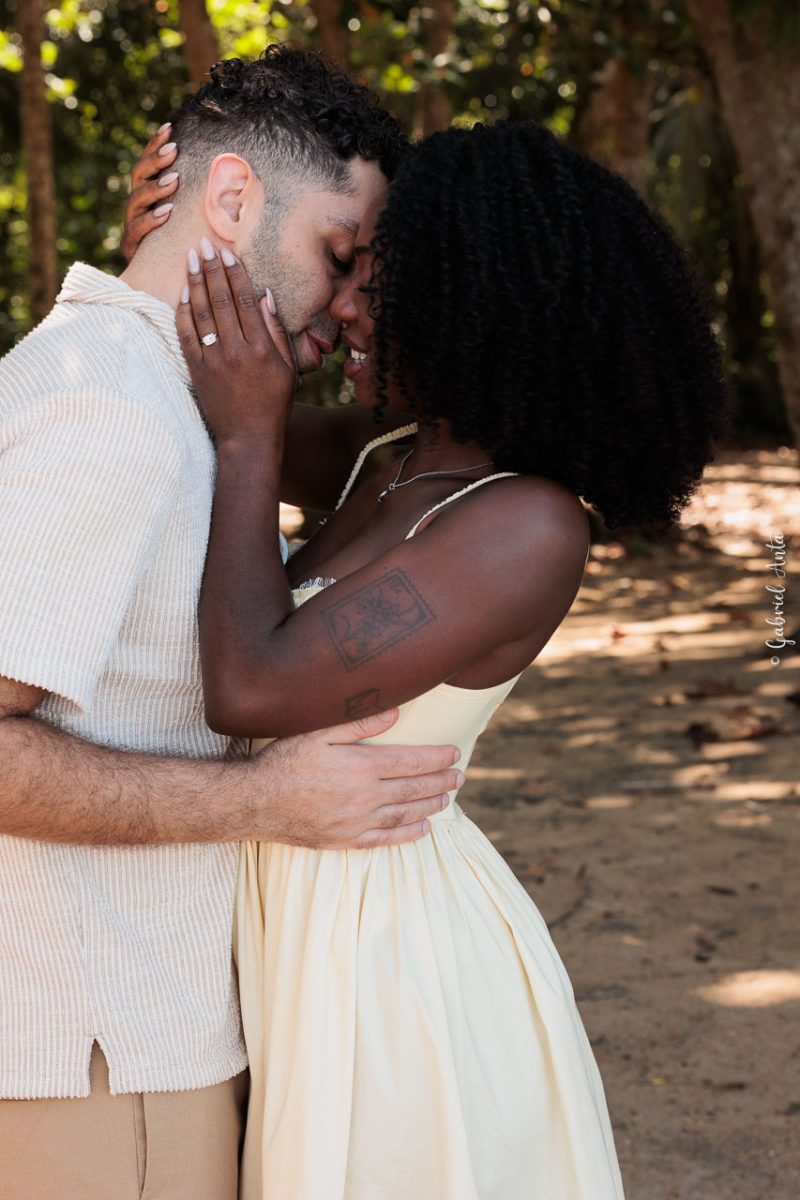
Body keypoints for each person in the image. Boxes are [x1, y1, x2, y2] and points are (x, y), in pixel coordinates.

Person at [164, 119, 726, 1198]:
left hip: (382, 952)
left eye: (375, 288)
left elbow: (252, 686)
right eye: (352, 278)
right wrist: (187, 228)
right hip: (283, 902)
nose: (344, 309)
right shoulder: (386, 456)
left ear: (481, 305)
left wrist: (247, 439)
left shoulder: (525, 527)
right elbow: (190, 388)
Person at [0, 49, 464, 1200]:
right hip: (98, 1045)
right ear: (230, 200)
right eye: (338, 254)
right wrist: (262, 803)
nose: (353, 301)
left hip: (111, 1034)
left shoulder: (130, 382)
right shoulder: (111, 408)